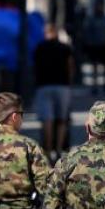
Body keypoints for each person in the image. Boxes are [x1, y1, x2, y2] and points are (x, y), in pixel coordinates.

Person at [33, 24, 76, 161]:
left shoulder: (39, 48)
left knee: (47, 119)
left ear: (45, 33)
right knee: (62, 119)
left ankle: (48, 150)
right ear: (56, 33)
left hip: (44, 86)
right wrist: (69, 83)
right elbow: (70, 66)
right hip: (62, 86)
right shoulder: (65, 48)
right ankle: (58, 149)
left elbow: (34, 66)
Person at [84, 8, 105, 95]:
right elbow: (87, 33)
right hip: (95, 46)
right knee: (94, 67)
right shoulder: (91, 20)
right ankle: (95, 86)